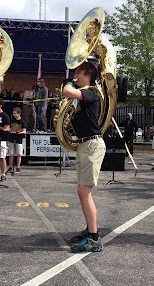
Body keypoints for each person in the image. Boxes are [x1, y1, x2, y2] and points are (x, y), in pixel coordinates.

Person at [62, 62, 106, 253]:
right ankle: (90, 229)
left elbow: (69, 92)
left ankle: (94, 239)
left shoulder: (92, 91)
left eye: (77, 72)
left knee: (84, 191)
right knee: (83, 191)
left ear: (87, 73)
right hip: (84, 144)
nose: (75, 75)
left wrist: (67, 83)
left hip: (91, 145)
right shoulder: (86, 94)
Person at [7, 107, 26, 174]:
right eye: (13, 113)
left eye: (15, 113)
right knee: (11, 153)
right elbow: (9, 128)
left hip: (18, 138)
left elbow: (24, 131)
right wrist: (10, 130)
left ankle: (18, 167)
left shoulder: (22, 121)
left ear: (19, 113)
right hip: (12, 138)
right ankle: (10, 167)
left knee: (19, 153)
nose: (14, 114)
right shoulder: (12, 120)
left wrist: (18, 132)